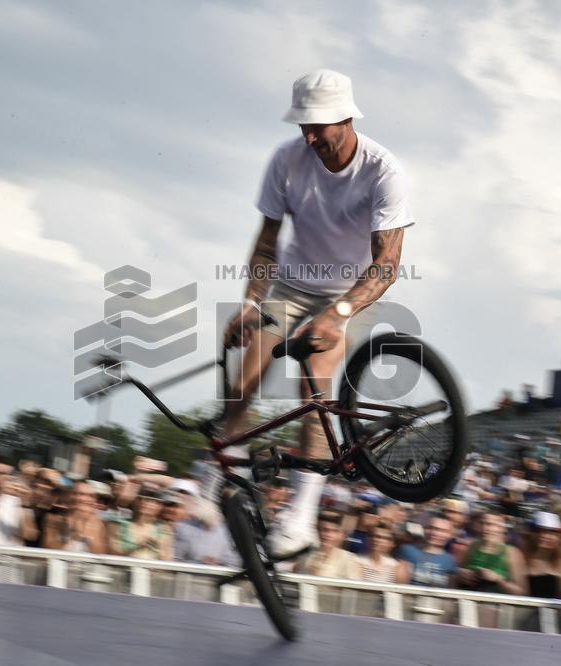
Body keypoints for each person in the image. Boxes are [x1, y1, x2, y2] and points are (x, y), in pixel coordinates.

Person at [221, 68, 412, 556]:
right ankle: (227, 483)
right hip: (291, 283)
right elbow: (266, 244)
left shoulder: (383, 170)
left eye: (318, 126)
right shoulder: (286, 161)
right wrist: (249, 304)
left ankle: (301, 518)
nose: (308, 136)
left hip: (352, 289)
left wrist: (339, 312)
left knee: (315, 392)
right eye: (301, 126)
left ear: (346, 118)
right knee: (242, 387)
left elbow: (387, 265)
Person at [455, 511, 526, 595]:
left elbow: (523, 592)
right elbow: (458, 573)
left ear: (502, 528)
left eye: (490, 524)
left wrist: (498, 580)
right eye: (483, 523)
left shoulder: (512, 552)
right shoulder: (473, 546)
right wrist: (462, 575)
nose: (485, 528)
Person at [43, 481, 107, 553]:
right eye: (78, 494)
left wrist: (85, 531)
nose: (83, 499)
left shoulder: (98, 522)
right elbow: (48, 548)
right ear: (69, 496)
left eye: (90, 496)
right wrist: (71, 531)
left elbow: (100, 553)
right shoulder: (53, 518)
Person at [110, 488, 173, 561]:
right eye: (140, 498)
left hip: (153, 570)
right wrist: (136, 548)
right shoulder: (117, 524)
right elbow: (111, 555)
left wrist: (158, 548)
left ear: (160, 506)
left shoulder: (163, 528)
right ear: (135, 501)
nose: (143, 502)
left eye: (150, 500)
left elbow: (166, 560)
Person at [398, 513, 458, 587]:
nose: (434, 533)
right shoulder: (408, 550)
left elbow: (451, 591)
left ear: (450, 535)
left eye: (442, 531)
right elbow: (400, 585)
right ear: (424, 529)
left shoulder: (450, 560)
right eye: (430, 528)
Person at [296, 511, 360, 579]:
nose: (327, 535)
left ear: (342, 535)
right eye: (324, 530)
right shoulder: (305, 555)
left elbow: (354, 587)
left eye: (334, 531)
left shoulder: (349, 559)